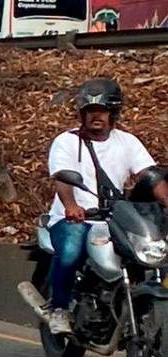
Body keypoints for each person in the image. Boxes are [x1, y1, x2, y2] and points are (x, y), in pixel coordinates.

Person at [40, 78, 168, 335]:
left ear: (113, 113)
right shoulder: (66, 141)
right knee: (70, 250)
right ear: (82, 114)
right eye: (90, 111)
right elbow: (63, 177)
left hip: (116, 218)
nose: (95, 116)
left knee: (156, 250)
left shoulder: (127, 142)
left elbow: (149, 175)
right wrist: (71, 206)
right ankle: (59, 309)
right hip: (76, 219)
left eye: (102, 111)